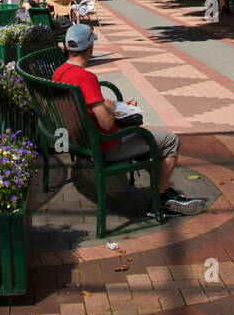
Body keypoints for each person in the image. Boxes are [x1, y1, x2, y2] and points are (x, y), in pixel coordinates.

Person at [52, 23, 207, 216]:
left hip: (79, 141)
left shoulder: (58, 73)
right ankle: (160, 198)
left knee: (146, 143)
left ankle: (164, 191)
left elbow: (90, 108)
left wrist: (111, 105)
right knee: (169, 141)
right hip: (106, 146)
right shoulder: (85, 78)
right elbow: (107, 123)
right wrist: (111, 106)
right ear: (91, 48)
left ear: (67, 47)